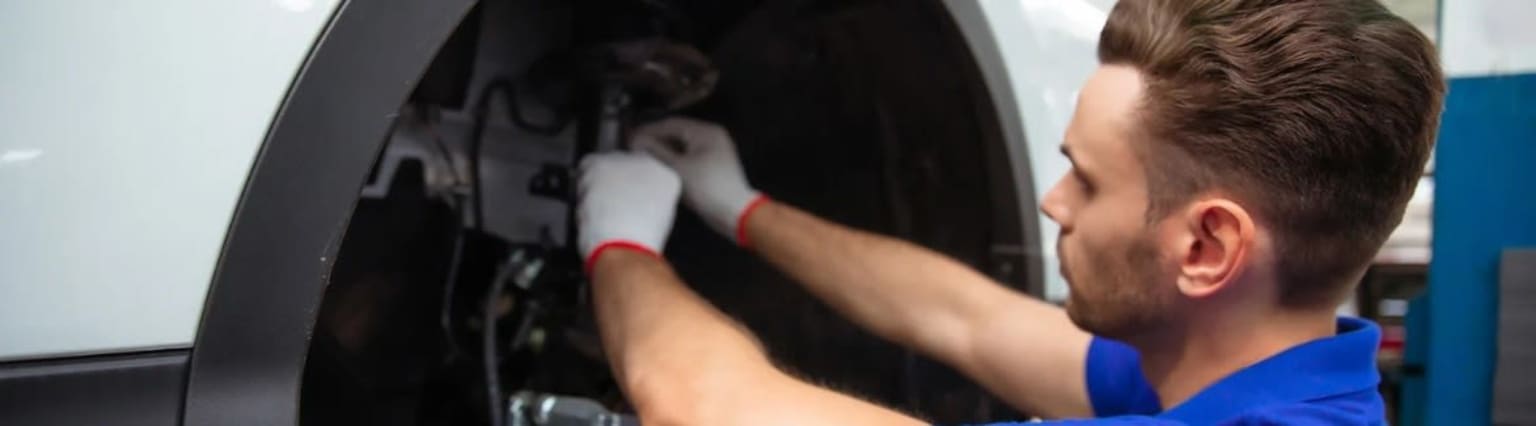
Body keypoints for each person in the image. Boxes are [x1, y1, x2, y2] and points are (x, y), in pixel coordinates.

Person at [572, 0, 1444, 423]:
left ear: (1209, 246)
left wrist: (618, 244)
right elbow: (966, 320)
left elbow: (698, 400)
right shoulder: (1253, 373)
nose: (1050, 200)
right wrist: (745, 208)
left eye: (1089, 182)